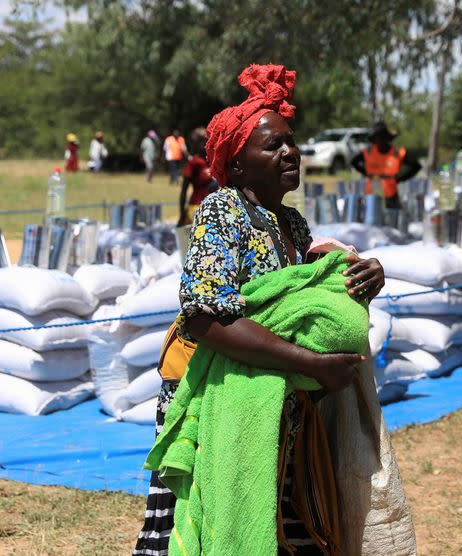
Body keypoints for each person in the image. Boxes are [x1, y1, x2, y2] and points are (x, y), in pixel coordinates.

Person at [134, 63, 386, 556]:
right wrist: (309, 364)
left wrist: (362, 278)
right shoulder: (222, 209)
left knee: (278, 521)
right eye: (273, 145)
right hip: (221, 393)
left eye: (291, 142)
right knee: (213, 520)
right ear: (239, 163)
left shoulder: (292, 224)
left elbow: (307, 299)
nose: (290, 152)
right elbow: (205, 317)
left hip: (273, 394)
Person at [351, 121, 422, 209]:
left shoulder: (397, 153)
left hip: (391, 196)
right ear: (374, 139)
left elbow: (416, 166)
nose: (380, 140)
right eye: (377, 137)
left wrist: (400, 178)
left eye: (382, 136)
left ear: (387, 138)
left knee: (392, 218)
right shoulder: (368, 152)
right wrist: (367, 173)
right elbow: (354, 162)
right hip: (372, 195)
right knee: (372, 218)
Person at [177, 127, 215, 226]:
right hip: (196, 207)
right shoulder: (194, 163)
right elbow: (183, 191)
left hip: (213, 207)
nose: (208, 144)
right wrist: (181, 215)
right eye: (204, 141)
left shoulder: (213, 161)